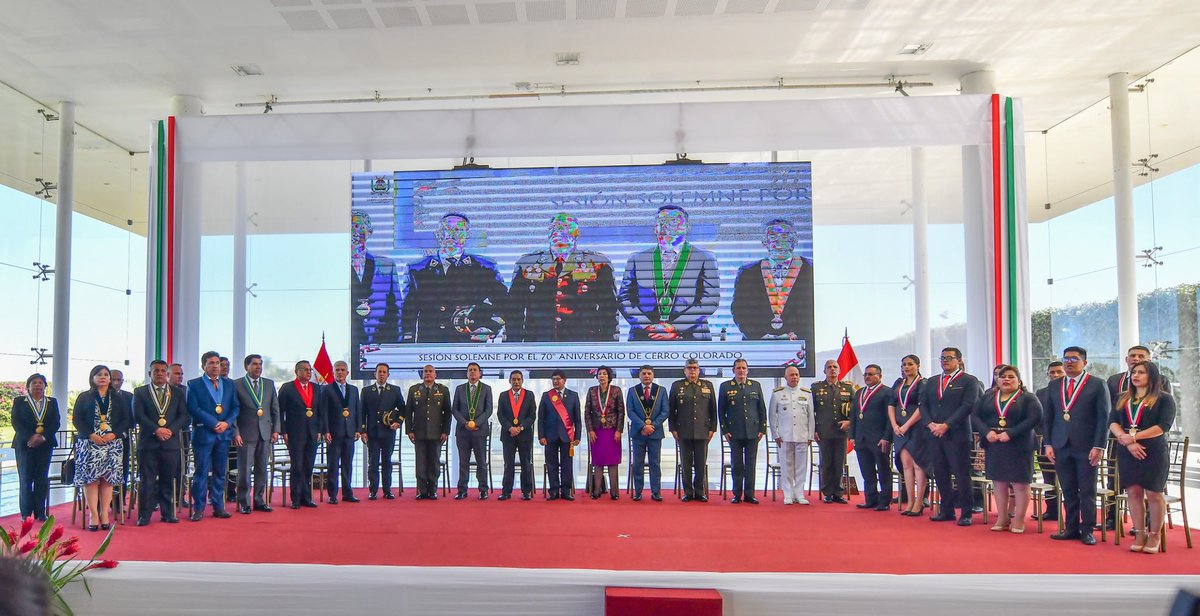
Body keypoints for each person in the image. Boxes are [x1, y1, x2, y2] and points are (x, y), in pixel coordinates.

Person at [506, 213, 620, 342]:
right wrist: (512, 346)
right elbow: (514, 310)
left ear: (577, 232)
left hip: (583, 342)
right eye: (554, 227)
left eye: (566, 227)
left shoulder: (598, 263)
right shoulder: (527, 263)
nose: (559, 232)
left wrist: (608, 345)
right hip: (538, 342)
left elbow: (609, 309)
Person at [399, 213, 507, 343]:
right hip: (431, 344)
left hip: (470, 343)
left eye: (458, 230)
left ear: (468, 235)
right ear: (437, 234)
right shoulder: (417, 268)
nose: (451, 235)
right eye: (446, 229)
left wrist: (489, 328)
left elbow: (505, 305)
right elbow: (407, 313)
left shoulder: (484, 267)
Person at [618, 205, 721, 341]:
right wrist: (647, 326)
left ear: (687, 227)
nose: (667, 227)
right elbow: (624, 298)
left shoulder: (705, 258)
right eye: (661, 222)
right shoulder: (636, 258)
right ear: (655, 228)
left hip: (691, 338)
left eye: (674, 222)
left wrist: (675, 327)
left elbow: (710, 300)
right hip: (644, 337)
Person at [1043, 346, 1111, 546]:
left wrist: (1099, 445)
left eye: (1074, 358)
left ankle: (1087, 529)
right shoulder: (1055, 386)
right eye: (1066, 359)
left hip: (1087, 446)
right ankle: (1071, 527)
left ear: (1084, 362)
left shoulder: (1097, 384)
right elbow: (1048, 418)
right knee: (1068, 489)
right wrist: (1048, 443)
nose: (1069, 362)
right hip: (1061, 445)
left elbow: (1103, 418)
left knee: (1087, 490)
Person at [1109, 361, 1175, 554]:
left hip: (1153, 451)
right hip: (1127, 450)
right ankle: (1139, 533)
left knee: (1154, 493)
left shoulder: (1164, 398)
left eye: (1142, 372)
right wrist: (1126, 440)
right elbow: (1112, 422)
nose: (1136, 375)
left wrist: (1135, 437)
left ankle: (1154, 534)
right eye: (1134, 372)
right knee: (1133, 492)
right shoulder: (1122, 398)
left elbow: (1163, 426)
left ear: (1152, 376)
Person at [971, 365, 1042, 533]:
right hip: (994, 444)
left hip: (1019, 445)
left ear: (1019, 380)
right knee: (999, 483)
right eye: (1003, 377)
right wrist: (986, 432)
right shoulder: (988, 397)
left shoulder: (1028, 398)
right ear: (997, 380)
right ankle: (1002, 518)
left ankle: (1018, 520)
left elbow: (1035, 418)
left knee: (1020, 484)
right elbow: (975, 416)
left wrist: (1011, 433)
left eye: (1011, 377)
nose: (1006, 379)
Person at [919, 347, 982, 526]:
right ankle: (946, 511)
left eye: (949, 358)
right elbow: (923, 405)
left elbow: (968, 405)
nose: (945, 361)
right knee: (940, 473)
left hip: (957, 434)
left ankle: (966, 513)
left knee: (962, 475)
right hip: (934, 434)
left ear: (959, 360)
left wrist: (946, 425)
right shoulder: (931, 381)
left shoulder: (969, 380)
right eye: (942, 358)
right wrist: (930, 424)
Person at [730, 218, 814, 345]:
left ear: (795, 239)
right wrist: (760, 336)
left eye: (785, 236)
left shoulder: (811, 269)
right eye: (773, 237)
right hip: (757, 345)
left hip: (801, 346)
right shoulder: (747, 271)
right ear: (764, 241)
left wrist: (796, 335)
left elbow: (815, 310)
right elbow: (739, 310)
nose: (779, 242)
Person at [73, 365, 131, 531]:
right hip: (90, 443)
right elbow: (77, 419)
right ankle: (93, 514)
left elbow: (126, 420)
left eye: (106, 374)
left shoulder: (118, 398)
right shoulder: (84, 397)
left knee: (108, 479)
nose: (103, 377)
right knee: (91, 480)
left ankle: (105, 513)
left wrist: (114, 434)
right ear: (92, 378)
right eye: (99, 374)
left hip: (112, 443)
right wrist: (91, 434)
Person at [186, 351, 240, 521]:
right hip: (204, 434)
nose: (216, 366)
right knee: (201, 473)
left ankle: (218, 506)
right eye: (212, 363)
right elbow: (193, 408)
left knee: (220, 472)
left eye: (217, 363)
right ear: (203, 366)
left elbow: (235, 407)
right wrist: (213, 423)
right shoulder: (194, 384)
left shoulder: (229, 384)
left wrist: (227, 423)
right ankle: (199, 508)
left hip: (223, 435)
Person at [133, 360, 188, 525]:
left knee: (168, 480)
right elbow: (138, 415)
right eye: (156, 371)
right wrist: (156, 429)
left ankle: (168, 513)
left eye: (163, 371)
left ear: (167, 374)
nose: (159, 373)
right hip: (148, 444)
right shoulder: (141, 392)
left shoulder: (177, 393)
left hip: (170, 443)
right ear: (150, 373)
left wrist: (170, 430)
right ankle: (144, 515)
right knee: (147, 481)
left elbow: (184, 416)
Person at [231, 354, 281, 514]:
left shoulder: (268, 384)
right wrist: (235, 432)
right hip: (245, 434)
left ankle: (259, 500)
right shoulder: (237, 384)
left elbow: (275, 410)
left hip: (265, 433)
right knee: (245, 470)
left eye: (260, 364)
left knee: (262, 469)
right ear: (246, 367)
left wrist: (276, 430)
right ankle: (244, 502)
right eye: (254, 364)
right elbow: (233, 411)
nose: (258, 367)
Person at [11, 373, 61, 521]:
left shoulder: (52, 402)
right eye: (34, 383)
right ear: (28, 386)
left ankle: (40, 512)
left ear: (45, 386)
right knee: (25, 479)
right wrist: (30, 437)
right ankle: (26, 514)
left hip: (45, 444)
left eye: (41, 383)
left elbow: (56, 422)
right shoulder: (20, 401)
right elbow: (16, 421)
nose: (38, 385)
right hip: (25, 444)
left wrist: (42, 436)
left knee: (41, 478)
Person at [718, 359, 767, 504]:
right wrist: (725, 430)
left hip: (753, 432)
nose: (741, 371)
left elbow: (761, 409)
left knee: (751, 465)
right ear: (733, 370)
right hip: (734, 433)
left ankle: (750, 494)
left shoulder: (755, 385)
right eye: (738, 368)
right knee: (737, 465)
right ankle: (737, 494)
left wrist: (762, 429)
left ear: (747, 370)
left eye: (744, 368)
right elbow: (721, 411)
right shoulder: (725, 386)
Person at [350, 209, 401, 347]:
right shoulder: (334, 266)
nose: (355, 232)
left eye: (360, 227)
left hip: (381, 343)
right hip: (348, 341)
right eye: (351, 227)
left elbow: (397, 308)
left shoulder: (386, 265)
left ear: (369, 232)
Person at [670, 358, 718, 502]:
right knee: (686, 464)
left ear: (699, 370)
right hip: (683, 431)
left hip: (703, 431)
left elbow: (713, 410)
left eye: (695, 368)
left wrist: (712, 429)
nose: (692, 370)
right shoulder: (677, 386)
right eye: (689, 368)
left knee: (700, 463)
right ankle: (688, 492)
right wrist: (673, 429)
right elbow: (672, 410)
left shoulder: (707, 385)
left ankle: (699, 491)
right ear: (684, 370)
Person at [279, 360, 324, 509]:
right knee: (297, 466)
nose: (308, 372)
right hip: (294, 433)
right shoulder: (287, 388)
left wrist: (319, 430)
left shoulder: (317, 388)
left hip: (312, 433)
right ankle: (295, 498)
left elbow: (320, 412)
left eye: (309, 370)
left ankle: (307, 497)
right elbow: (280, 412)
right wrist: (283, 431)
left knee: (308, 467)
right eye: (304, 370)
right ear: (296, 371)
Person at [850, 364, 893, 511]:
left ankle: (884, 501)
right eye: (866, 375)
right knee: (867, 471)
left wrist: (886, 437)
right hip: (861, 439)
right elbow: (854, 415)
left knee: (883, 471)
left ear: (879, 376)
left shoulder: (887, 392)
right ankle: (870, 499)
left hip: (879, 439)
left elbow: (890, 418)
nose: (867, 377)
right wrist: (852, 436)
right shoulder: (859, 392)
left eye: (870, 374)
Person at [890, 355, 929, 516]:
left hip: (916, 428)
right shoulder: (899, 384)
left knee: (918, 465)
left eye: (910, 364)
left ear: (918, 366)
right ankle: (910, 501)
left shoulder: (923, 383)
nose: (907, 367)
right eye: (904, 364)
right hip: (899, 429)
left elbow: (923, 407)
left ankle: (919, 502)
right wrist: (894, 425)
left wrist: (907, 425)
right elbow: (891, 405)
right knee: (906, 465)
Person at [769, 365, 814, 505]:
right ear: (785, 377)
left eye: (797, 374)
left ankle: (799, 494)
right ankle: (788, 494)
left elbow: (811, 416)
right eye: (792, 375)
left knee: (801, 467)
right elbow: (772, 417)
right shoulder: (777, 393)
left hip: (802, 435)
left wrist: (810, 435)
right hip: (785, 436)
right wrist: (775, 434)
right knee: (786, 466)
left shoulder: (807, 393)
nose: (795, 377)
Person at [407, 365, 452, 500]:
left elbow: (448, 413)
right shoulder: (414, 390)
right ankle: (422, 491)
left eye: (430, 371)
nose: (428, 374)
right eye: (426, 371)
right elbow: (408, 411)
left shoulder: (443, 390)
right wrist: (409, 430)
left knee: (434, 462)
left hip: (436, 433)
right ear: (422, 374)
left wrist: (445, 431)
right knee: (420, 463)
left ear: (435, 374)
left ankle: (432, 490)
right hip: (419, 433)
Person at [319, 361, 362, 504]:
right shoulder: (327, 389)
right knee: (332, 465)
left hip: (349, 433)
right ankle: (332, 495)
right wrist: (326, 431)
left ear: (347, 373)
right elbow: (323, 412)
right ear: (333, 372)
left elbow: (357, 410)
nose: (340, 372)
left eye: (343, 370)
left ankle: (348, 493)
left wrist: (358, 429)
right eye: (337, 370)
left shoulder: (354, 390)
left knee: (347, 464)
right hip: (334, 433)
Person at [811, 359, 853, 504]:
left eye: (835, 367)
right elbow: (811, 412)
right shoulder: (816, 388)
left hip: (841, 432)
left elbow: (855, 409)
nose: (832, 369)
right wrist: (814, 430)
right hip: (824, 431)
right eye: (829, 367)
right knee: (826, 463)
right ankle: (827, 492)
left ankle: (838, 493)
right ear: (824, 371)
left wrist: (850, 422)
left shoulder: (847, 388)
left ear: (839, 371)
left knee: (839, 462)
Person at [627, 365, 670, 502]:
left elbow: (665, 411)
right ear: (639, 375)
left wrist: (652, 426)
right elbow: (630, 411)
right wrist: (643, 426)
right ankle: (638, 492)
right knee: (638, 463)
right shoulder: (632, 391)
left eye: (649, 373)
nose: (646, 376)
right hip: (638, 433)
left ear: (653, 375)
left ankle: (656, 492)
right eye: (644, 373)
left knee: (655, 463)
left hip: (655, 433)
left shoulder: (661, 391)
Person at [361, 363, 404, 500]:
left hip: (388, 433)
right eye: (379, 372)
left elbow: (403, 409)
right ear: (375, 374)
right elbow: (362, 412)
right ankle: (373, 490)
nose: (381, 374)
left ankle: (387, 490)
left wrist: (398, 422)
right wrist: (362, 430)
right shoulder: (366, 391)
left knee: (387, 462)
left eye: (384, 372)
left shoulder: (395, 390)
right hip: (372, 433)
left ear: (388, 375)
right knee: (372, 463)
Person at [451, 362, 493, 500]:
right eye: (470, 370)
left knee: (481, 462)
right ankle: (462, 490)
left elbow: (488, 410)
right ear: (466, 373)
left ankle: (483, 490)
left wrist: (476, 423)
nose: (473, 372)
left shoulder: (486, 389)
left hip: (479, 431)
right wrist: (465, 423)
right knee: (463, 462)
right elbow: (455, 409)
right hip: (463, 431)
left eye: (475, 370)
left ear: (480, 373)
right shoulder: (459, 389)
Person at [539, 369, 581, 500]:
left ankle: (566, 490)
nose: (555, 381)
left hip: (567, 436)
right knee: (551, 464)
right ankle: (554, 491)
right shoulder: (546, 396)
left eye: (558, 379)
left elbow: (577, 419)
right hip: (550, 436)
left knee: (567, 464)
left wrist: (577, 436)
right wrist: (541, 436)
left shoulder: (573, 395)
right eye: (553, 379)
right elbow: (541, 418)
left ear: (564, 380)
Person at [585, 366, 624, 500]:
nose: (602, 376)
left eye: (604, 374)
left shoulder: (616, 390)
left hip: (612, 431)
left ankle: (614, 492)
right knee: (598, 461)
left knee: (613, 462)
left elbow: (621, 412)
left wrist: (619, 430)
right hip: (597, 431)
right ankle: (596, 491)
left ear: (609, 376)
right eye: (600, 374)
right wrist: (590, 430)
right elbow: (587, 412)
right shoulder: (591, 391)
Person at [497, 370, 536, 500]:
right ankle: (506, 491)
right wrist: (510, 428)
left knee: (526, 463)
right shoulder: (503, 395)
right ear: (509, 381)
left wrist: (520, 427)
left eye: (518, 379)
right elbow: (500, 415)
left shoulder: (529, 395)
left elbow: (532, 416)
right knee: (508, 464)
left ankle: (526, 492)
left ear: (522, 380)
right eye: (513, 379)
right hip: (508, 435)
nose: (516, 382)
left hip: (524, 435)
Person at [1034, 361, 1065, 522]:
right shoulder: (1041, 393)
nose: (1055, 375)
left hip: (1066, 442)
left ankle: (1071, 515)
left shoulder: (1070, 391)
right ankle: (1051, 510)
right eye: (1052, 372)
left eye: (1059, 372)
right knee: (1047, 478)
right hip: (1045, 442)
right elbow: (1039, 418)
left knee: (1067, 480)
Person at [1106, 345, 1172, 404]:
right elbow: (1109, 404)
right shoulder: (1113, 380)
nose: (1136, 359)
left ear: (1149, 361)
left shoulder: (1161, 380)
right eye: (1132, 356)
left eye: (1141, 356)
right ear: (1126, 359)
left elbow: (1166, 405)